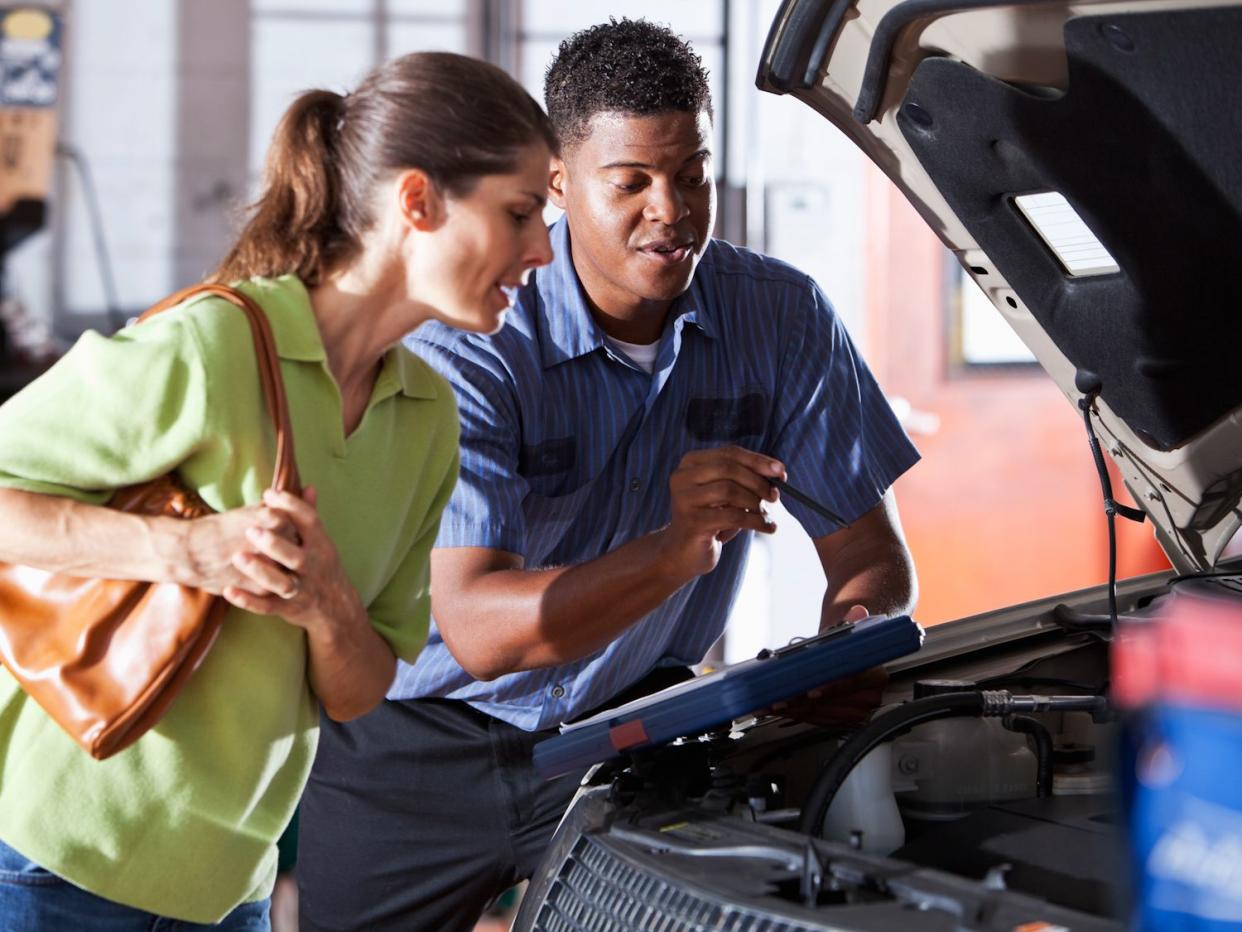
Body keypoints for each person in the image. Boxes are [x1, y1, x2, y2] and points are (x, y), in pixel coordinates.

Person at [297, 19, 920, 932]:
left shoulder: (781, 317)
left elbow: (870, 555)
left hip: (632, 735)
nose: (671, 209)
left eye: (691, 174)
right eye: (630, 183)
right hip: (412, 748)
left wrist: (852, 638)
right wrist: (672, 554)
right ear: (557, 181)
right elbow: (475, 627)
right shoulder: (468, 343)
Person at [0, 51, 554, 929]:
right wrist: (189, 550)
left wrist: (327, 602)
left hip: (231, 888)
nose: (543, 249)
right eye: (519, 211)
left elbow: (359, 691)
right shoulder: (213, 347)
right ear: (417, 202)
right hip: (59, 863)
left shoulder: (427, 419)